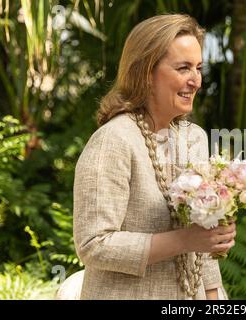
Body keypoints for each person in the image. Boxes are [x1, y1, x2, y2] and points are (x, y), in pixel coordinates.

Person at [71, 14, 236, 300]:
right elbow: (93, 243)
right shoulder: (113, 141)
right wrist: (184, 240)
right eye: (183, 68)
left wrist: (213, 295)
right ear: (146, 73)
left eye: (198, 67)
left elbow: (203, 245)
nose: (196, 80)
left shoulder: (194, 138)